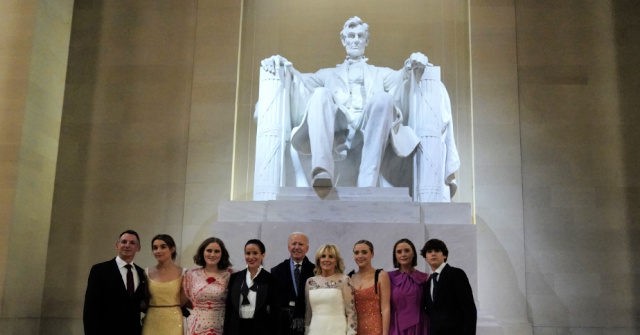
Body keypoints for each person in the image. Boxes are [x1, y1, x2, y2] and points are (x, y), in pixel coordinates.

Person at [255, 16, 459, 202]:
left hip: (371, 130)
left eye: (360, 36)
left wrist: (412, 63)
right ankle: (322, 172)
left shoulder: (380, 73)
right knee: (319, 94)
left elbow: (402, 79)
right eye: (351, 36)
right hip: (339, 131)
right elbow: (299, 82)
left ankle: (367, 182)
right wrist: (283, 67)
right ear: (343, 40)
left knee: (383, 98)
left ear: (366, 41)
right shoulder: (327, 74)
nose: (355, 40)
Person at [83, 229, 149, 335]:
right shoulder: (99, 270)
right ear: (117, 245)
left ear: (138, 248)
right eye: (124, 242)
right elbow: (90, 308)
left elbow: (142, 304)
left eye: (132, 243)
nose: (127, 245)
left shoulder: (142, 274)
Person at [421, 239, 476, 335]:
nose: (433, 254)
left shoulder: (456, 274)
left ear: (445, 255)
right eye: (429, 251)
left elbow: (469, 309)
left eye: (437, 250)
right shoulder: (428, 282)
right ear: (425, 258)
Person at [224, 239, 279, 335]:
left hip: (260, 329)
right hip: (237, 328)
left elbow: (275, 311)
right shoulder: (234, 277)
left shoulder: (271, 279)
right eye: (248, 253)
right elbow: (229, 309)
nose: (251, 257)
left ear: (262, 255)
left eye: (255, 253)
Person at [183, 237, 233, 335]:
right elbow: (185, 300)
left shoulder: (230, 275)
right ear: (202, 252)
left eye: (217, 251)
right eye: (209, 250)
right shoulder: (190, 274)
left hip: (222, 326)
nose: (212, 254)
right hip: (196, 327)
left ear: (222, 254)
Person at [304, 244, 357, 335]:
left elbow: (351, 312)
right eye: (323, 256)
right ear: (318, 260)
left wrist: (351, 332)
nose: (326, 259)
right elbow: (308, 312)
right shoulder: (310, 282)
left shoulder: (344, 280)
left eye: (331, 256)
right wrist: (307, 330)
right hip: (315, 330)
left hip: (338, 330)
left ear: (336, 261)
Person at [271, 232, 316, 335]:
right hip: (284, 327)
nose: (297, 247)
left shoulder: (315, 271)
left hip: (309, 325)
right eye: (294, 243)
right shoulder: (276, 271)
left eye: (301, 244)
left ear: (307, 248)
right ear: (288, 247)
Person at [142, 234, 187, 335]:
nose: (158, 251)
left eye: (163, 247)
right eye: (155, 248)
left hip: (175, 320)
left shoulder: (184, 273)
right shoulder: (146, 272)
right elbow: (144, 298)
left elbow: (183, 300)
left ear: (172, 249)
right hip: (151, 319)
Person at [349, 240, 391, 335]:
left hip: (375, 330)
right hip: (354, 330)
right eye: (356, 253)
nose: (360, 256)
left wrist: (385, 333)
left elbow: (385, 308)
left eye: (364, 252)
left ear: (372, 254)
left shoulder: (381, 275)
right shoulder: (350, 277)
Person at [388, 238, 429, 335]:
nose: (403, 254)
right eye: (399, 252)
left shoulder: (425, 278)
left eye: (407, 250)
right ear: (395, 256)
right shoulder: (387, 277)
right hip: (396, 326)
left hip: (420, 326)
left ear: (413, 253)